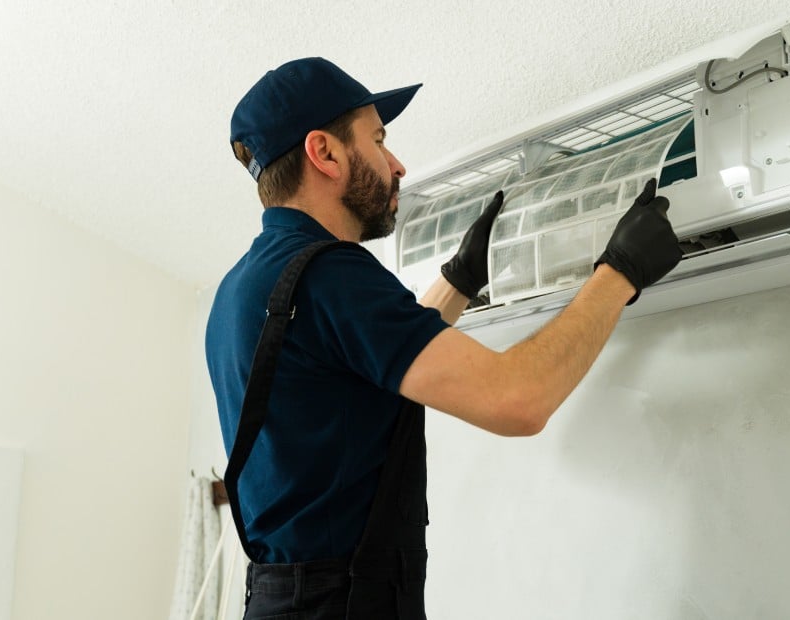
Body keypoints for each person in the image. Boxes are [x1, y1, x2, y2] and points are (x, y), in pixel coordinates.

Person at [206, 57, 683, 620]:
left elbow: (367, 366)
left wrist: (458, 279)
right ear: (324, 153)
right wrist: (620, 271)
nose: (397, 163)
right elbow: (519, 400)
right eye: (379, 140)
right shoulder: (332, 274)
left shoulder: (240, 289)